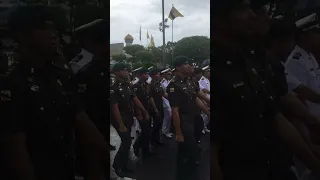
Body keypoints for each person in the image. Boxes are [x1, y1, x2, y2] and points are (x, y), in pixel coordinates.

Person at [211, 1, 320, 180]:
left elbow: (274, 117)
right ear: (217, 20)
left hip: (273, 164)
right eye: (241, 8)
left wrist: (314, 162)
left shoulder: (247, 62)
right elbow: (213, 152)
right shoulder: (218, 70)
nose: (252, 16)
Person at [1, 5, 107, 180]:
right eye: (44, 27)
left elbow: (85, 127)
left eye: (53, 28)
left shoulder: (59, 78)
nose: (53, 34)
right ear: (21, 35)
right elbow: (16, 151)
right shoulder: (11, 84)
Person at [166, 56, 210, 180]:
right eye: (186, 64)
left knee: (185, 148)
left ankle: (181, 172)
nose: (189, 65)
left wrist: (208, 110)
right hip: (184, 121)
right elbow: (175, 111)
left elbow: (197, 96)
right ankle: (189, 172)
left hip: (193, 117)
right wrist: (178, 132)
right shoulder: (174, 86)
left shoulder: (189, 80)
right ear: (178, 67)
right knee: (191, 150)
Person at [110, 63, 149, 178]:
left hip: (128, 116)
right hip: (119, 118)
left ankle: (124, 164)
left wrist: (144, 111)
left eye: (127, 70)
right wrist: (120, 124)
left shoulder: (127, 85)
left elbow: (135, 99)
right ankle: (116, 166)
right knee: (126, 141)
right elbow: (114, 107)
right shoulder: (114, 87)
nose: (126, 72)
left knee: (127, 142)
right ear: (116, 72)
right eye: (123, 70)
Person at [149, 68, 167, 145]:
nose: (159, 75)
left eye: (159, 74)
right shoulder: (151, 85)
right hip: (154, 107)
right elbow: (151, 97)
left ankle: (157, 139)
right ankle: (153, 140)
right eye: (157, 74)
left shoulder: (159, 84)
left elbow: (164, 94)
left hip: (160, 105)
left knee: (160, 123)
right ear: (152, 76)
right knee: (156, 123)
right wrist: (155, 109)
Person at [160, 68, 173, 138]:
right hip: (165, 100)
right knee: (168, 115)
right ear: (164, 74)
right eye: (168, 74)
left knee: (169, 116)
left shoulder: (169, 81)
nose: (169, 75)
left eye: (170, 74)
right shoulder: (162, 82)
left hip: (170, 100)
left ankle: (166, 130)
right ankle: (165, 131)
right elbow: (163, 93)